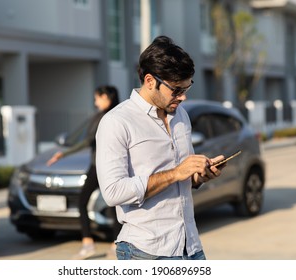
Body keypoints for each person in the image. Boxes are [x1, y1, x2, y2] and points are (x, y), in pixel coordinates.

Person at [95, 36, 225, 260]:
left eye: (187, 88)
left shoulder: (181, 115)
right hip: (145, 251)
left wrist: (199, 176)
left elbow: (183, 177)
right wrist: (175, 173)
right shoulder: (116, 122)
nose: (183, 97)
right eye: (176, 90)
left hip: (190, 245)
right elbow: (113, 192)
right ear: (149, 81)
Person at [47, 85, 121, 260]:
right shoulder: (98, 116)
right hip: (96, 166)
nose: (95, 101)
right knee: (87, 203)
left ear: (106, 97)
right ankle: (89, 243)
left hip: (107, 167)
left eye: (97, 98)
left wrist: (63, 153)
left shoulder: (110, 117)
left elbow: (88, 141)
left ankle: (115, 243)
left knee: (113, 204)